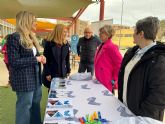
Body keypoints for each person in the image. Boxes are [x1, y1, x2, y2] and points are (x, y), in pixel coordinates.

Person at [118, 16, 165, 121]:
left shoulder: (159, 59)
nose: (132, 34)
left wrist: (141, 114)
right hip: (127, 110)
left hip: (142, 117)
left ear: (141, 34)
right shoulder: (133, 52)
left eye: (134, 30)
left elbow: (160, 94)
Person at [7, 11, 46, 124]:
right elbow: (14, 62)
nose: (36, 23)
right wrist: (35, 59)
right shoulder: (14, 37)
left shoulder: (30, 37)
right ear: (26, 21)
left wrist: (41, 57)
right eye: (34, 21)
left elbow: (33, 55)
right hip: (24, 80)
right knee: (24, 107)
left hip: (36, 77)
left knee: (35, 104)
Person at [94, 25, 122, 92]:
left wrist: (114, 79)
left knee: (106, 98)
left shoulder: (112, 47)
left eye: (102, 33)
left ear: (108, 34)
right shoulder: (101, 45)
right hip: (100, 77)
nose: (100, 34)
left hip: (107, 79)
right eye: (100, 32)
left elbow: (120, 64)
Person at [42, 24, 71, 89]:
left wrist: (68, 70)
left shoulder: (66, 44)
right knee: (52, 93)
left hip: (62, 73)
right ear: (58, 32)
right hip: (52, 73)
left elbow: (67, 59)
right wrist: (47, 73)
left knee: (61, 92)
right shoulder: (49, 43)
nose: (66, 33)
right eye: (64, 31)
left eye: (66, 32)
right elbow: (45, 60)